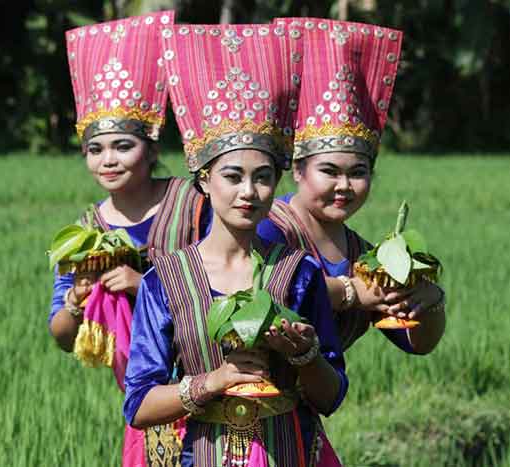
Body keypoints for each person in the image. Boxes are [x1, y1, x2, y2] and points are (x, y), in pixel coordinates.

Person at [124, 23, 347, 467]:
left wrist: (303, 355)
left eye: (263, 177)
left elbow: (331, 396)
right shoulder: (166, 279)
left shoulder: (298, 273)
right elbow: (139, 406)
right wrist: (214, 381)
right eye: (232, 177)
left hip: (288, 453)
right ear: (204, 180)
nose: (248, 192)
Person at [49, 11, 209, 467]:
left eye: (123, 146)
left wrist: (147, 288)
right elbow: (62, 336)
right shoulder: (87, 232)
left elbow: (229, 281)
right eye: (95, 149)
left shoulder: (193, 203)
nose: (107, 160)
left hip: (213, 378)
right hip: (148, 399)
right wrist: (77, 304)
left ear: (152, 148)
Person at [257, 18, 446, 354]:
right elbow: (254, 292)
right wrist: (349, 292)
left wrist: (430, 300)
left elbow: (416, 344)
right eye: (329, 171)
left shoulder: (365, 257)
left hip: (312, 400)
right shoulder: (268, 227)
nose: (343, 186)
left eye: (357, 172)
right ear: (298, 170)